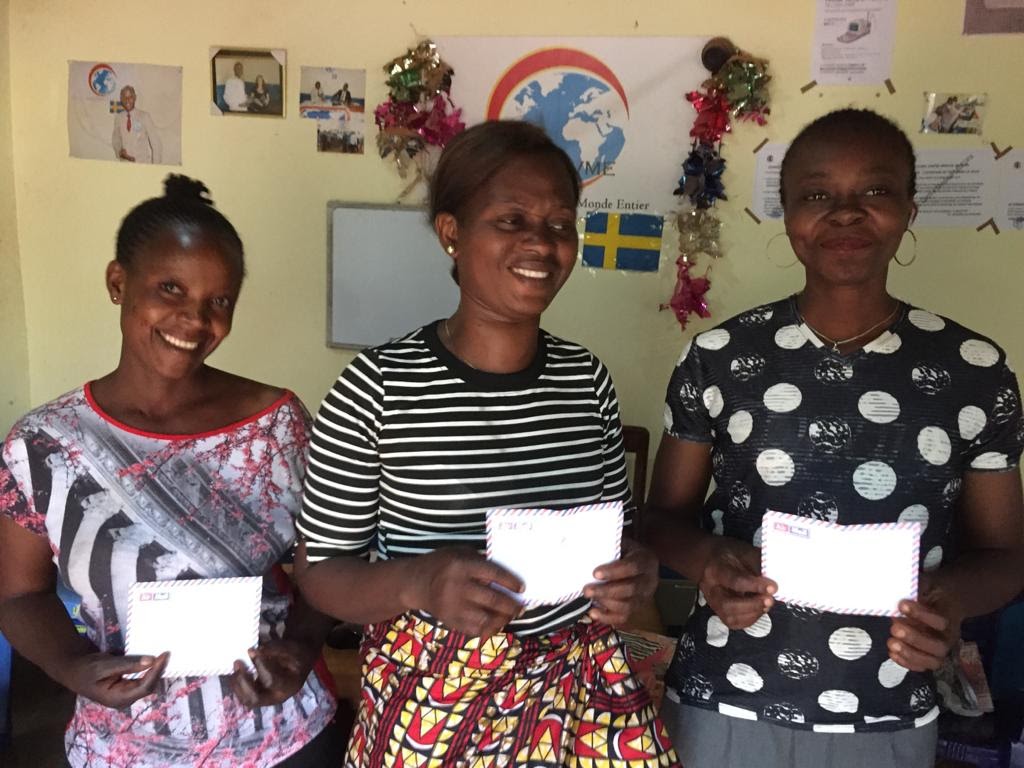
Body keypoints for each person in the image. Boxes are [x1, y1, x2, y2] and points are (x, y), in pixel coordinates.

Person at [645, 108, 1024, 767]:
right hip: (724, 700)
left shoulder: (975, 371)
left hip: (888, 708)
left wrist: (949, 602)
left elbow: (1005, 554)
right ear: (789, 215)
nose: (846, 213)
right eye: (817, 195)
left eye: (875, 190)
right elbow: (657, 520)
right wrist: (708, 559)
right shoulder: (719, 357)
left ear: (908, 209)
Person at [294, 120, 680, 768]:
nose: (542, 242)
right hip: (436, 701)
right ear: (452, 233)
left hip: (578, 693)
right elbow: (320, 571)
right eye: (511, 220)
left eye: (560, 223)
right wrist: (419, 581)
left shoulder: (586, 379)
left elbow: (614, 540)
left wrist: (633, 574)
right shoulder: (378, 387)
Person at [0, 175, 340, 767]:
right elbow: (20, 595)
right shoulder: (46, 444)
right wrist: (74, 666)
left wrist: (303, 647)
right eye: (170, 288)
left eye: (219, 301)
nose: (194, 318)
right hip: (123, 746)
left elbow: (327, 566)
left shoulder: (276, 425)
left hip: (281, 738)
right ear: (118, 282)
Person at [111, 85, 162, 164]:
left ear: (135, 98)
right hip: (124, 165)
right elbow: (116, 140)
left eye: (130, 97)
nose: (127, 100)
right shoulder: (118, 118)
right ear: (121, 99)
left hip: (142, 165)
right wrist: (120, 152)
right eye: (124, 97)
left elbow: (156, 144)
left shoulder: (144, 116)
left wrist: (156, 167)